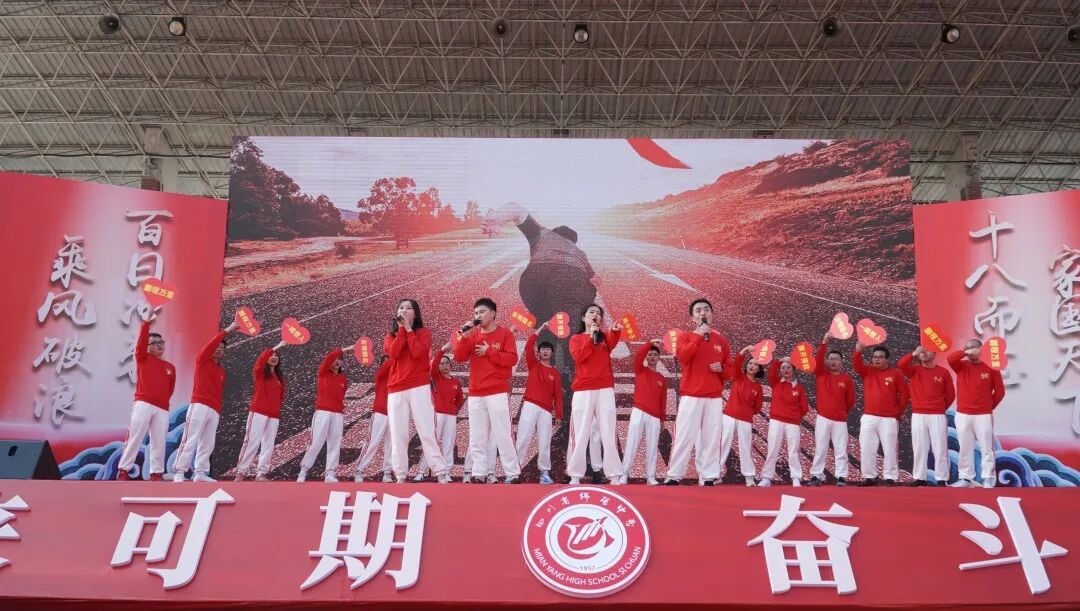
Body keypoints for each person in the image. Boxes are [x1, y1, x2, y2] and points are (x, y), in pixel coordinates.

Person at [453, 298, 522, 484]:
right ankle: (479, 472)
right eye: (476, 313)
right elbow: (459, 357)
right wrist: (464, 337)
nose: (478, 315)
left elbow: (512, 359)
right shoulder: (472, 335)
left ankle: (512, 473)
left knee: (503, 433)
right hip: (476, 392)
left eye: (482, 312)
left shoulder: (505, 334)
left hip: (497, 391)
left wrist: (490, 351)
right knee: (477, 435)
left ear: (493, 313)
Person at [664, 298, 730, 486]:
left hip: (713, 396)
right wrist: (699, 336)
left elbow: (730, 370)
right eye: (698, 310)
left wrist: (722, 369)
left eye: (706, 309)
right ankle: (674, 475)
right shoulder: (686, 337)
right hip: (691, 395)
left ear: (712, 314)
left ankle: (708, 475)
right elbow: (683, 357)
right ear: (693, 318)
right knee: (684, 435)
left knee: (711, 437)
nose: (703, 313)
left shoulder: (721, 341)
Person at [385, 299, 450, 483]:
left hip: (418, 386)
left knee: (426, 431)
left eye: (409, 308)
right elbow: (394, 353)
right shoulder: (390, 336)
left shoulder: (424, 333)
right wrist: (401, 331)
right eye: (401, 308)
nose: (404, 310)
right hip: (396, 388)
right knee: (398, 434)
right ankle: (400, 475)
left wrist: (408, 330)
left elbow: (417, 352)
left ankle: (440, 472)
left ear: (415, 313)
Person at [566, 303, 624, 485]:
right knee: (580, 432)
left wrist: (615, 332)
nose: (595, 315)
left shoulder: (604, 338)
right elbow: (579, 356)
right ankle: (575, 474)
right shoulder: (576, 338)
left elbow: (612, 342)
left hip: (604, 388)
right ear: (584, 318)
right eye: (591, 312)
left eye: (598, 313)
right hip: (583, 389)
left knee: (608, 431)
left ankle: (614, 474)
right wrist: (591, 337)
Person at [172, 322, 237, 482]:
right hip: (199, 404)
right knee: (191, 438)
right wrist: (228, 330)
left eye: (222, 348)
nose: (219, 349)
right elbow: (209, 347)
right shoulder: (202, 360)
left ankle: (200, 472)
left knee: (208, 442)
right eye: (217, 346)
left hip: (214, 409)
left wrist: (218, 407)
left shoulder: (221, 371)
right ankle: (179, 471)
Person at [117, 318, 176, 480]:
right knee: (135, 436)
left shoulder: (170, 367)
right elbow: (140, 344)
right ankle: (123, 470)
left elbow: (170, 389)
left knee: (159, 441)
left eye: (161, 342)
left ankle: (156, 473)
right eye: (155, 343)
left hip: (162, 408)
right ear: (147, 347)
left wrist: (162, 401)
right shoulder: (143, 358)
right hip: (143, 403)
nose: (159, 345)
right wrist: (146, 323)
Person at [948, 339, 1005, 488]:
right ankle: (966, 478)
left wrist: (987, 407)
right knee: (965, 447)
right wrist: (966, 352)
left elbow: (1000, 392)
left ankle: (988, 478)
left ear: (981, 349)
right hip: (963, 414)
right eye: (966, 348)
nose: (969, 351)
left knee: (986, 447)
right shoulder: (961, 366)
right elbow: (951, 358)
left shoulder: (991, 368)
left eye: (973, 348)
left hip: (983, 415)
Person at [853, 344, 910, 486]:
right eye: (874, 357)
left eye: (880, 357)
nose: (876, 359)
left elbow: (904, 394)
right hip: (869, 417)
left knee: (890, 449)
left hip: (888, 419)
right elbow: (857, 365)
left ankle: (890, 477)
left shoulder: (895, 374)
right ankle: (869, 476)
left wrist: (898, 412)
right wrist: (858, 351)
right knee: (867, 448)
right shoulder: (868, 371)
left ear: (887, 359)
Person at [898, 346, 956, 486]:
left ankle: (942, 478)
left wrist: (939, 408)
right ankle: (920, 477)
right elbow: (901, 364)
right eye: (921, 351)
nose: (923, 353)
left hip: (937, 415)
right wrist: (913, 353)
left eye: (927, 350)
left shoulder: (943, 372)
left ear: (934, 354)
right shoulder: (914, 370)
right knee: (919, 447)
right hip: (918, 414)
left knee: (940, 447)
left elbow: (950, 395)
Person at [298, 344, 355, 482]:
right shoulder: (323, 373)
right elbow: (329, 357)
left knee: (335, 443)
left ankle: (330, 473)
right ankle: (303, 471)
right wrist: (345, 350)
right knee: (316, 441)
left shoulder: (343, 379)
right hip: (323, 412)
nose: (337, 362)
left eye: (339, 359)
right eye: (335, 359)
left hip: (338, 414)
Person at [515, 322, 564, 485]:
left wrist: (559, 414)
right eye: (542, 349)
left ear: (552, 352)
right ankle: (514, 471)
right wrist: (540, 329)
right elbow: (529, 346)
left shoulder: (555, 373)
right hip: (530, 405)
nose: (545, 351)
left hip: (546, 411)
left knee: (544, 442)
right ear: (539, 352)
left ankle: (544, 473)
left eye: (548, 349)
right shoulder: (533, 365)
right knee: (523, 438)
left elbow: (558, 395)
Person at [234, 341, 288, 481]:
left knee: (268, 445)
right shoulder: (260, 373)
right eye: (271, 355)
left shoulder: (280, 377)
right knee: (252, 442)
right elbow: (260, 361)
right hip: (258, 412)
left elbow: (281, 396)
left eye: (276, 356)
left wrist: (274, 408)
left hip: (273, 415)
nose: (274, 357)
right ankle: (241, 471)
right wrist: (277, 346)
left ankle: (261, 473)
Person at [807, 334, 856, 486]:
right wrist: (824, 343)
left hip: (840, 419)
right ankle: (816, 475)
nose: (834, 362)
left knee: (841, 449)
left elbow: (851, 400)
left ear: (841, 362)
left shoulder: (846, 378)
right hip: (823, 417)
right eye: (831, 359)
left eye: (837, 359)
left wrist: (842, 412)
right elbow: (818, 358)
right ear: (826, 362)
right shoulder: (821, 374)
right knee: (820, 448)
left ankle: (841, 476)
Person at [619, 340, 667, 485]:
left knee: (652, 446)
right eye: (650, 354)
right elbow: (638, 356)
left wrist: (662, 419)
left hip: (655, 416)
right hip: (639, 411)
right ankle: (624, 474)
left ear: (658, 358)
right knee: (632, 443)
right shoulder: (640, 370)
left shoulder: (662, 379)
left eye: (655, 355)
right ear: (646, 357)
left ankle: (650, 477)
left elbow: (663, 401)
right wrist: (649, 343)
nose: (652, 357)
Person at [416, 343, 465, 481]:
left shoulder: (456, 382)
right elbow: (434, 364)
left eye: (447, 363)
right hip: (437, 415)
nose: (444, 366)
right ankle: (421, 472)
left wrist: (454, 409)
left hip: (451, 416)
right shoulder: (435, 378)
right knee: (432, 443)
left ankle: (446, 472)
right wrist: (442, 351)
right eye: (441, 364)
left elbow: (460, 399)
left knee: (448, 444)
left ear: (451, 365)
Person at [759, 356, 809, 487]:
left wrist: (794, 416)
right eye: (783, 368)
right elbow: (771, 370)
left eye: (788, 367)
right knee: (772, 448)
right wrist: (780, 361)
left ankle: (796, 477)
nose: (785, 370)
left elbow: (804, 408)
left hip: (793, 423)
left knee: (793, 450)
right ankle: (767, 477)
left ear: (793, 370)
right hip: (776, 421)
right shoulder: (776, 382)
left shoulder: (799, 388)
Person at [721, 346, 766, 486]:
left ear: (759, 369)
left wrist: (746, 411)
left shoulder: (758, 387)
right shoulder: (738, 377)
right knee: (723, 443)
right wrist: (744, 351)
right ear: (746, 366)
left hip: (745, 419)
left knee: (745, 447)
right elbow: (737, 364)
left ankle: (749, 476)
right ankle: (714, 473)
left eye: (756, 365)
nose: (752, 366)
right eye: (750, 363)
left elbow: (757, 407)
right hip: (729, 416)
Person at [353, 356, 393, 483]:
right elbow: (389, 364)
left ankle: (387, 473)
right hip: (380, 413)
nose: (388, 363)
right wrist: (397, 355)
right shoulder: (380, 375)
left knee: (392, 445)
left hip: (395, 415)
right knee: (372, 442)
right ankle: (359, 470)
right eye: (385, 361)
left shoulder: (399, 376)